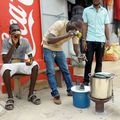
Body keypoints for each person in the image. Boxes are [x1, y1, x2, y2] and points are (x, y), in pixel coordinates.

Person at [42, 17, 86, 105]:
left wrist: (79, 55)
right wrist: (67, 35)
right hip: (47, 47)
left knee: (65, 70)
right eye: (75, 27)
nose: (76, 30)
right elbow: (49, 40)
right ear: (70, 22)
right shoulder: (59, 24)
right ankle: (56, 94)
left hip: (58, 48)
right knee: (50, 71)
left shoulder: (75, 32)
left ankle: (70, 90)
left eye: (77, 29)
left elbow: (76, 46)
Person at [1, 23, 40, 110]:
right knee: (5, 68)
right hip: (11, 64)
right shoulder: (5, 41)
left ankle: (31, 94)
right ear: (9, 32)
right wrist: (14, 44)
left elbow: (31, 57)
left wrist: (30, 61)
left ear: (20, 32)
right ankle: (10, 98)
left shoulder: (25, 41)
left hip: (22, 63)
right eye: (13, 30)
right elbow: (5, 60)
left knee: (35, 65)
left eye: (17, 30)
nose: (16, 32)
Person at [82, 0, 110, 86]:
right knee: (88, 61)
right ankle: (86, 81)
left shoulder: (104, 11)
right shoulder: (86, 10)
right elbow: (84, 25)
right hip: (90, 39)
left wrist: (108, 39)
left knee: (99, 62)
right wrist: (84, 40)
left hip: (101, 40)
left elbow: (106, 26)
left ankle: (97, 81)